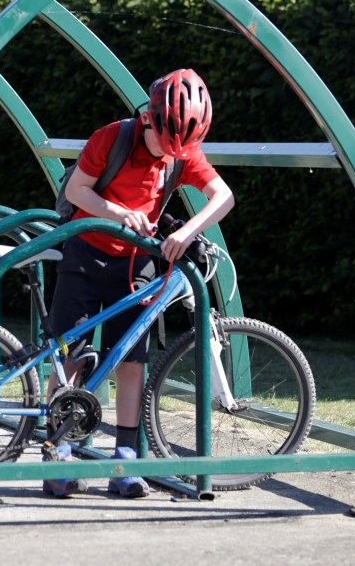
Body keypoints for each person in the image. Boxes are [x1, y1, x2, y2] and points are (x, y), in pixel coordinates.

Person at [42, 69, 235, 498]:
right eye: (167, 142)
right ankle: (58, 457)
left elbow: (223, 196)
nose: (172, 154)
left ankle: (124, 464)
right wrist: (117, 213)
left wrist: (187, 232)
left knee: (130, 365)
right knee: (69, 356)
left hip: (134, 269)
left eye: (181, 147)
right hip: (84, 254)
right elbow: (78, 191)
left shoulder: (182, 155)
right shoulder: (112, 138)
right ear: (150, 117)